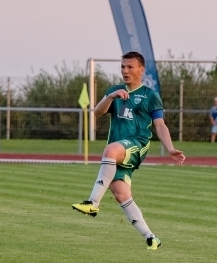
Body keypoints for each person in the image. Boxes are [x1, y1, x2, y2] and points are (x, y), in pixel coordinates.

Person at [71, 51, 185, 251]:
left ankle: (92, 203)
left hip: (137, 144)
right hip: (118, 148)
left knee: (110, 150)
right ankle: (151, 238)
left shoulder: (150, 96)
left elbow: (159, 125)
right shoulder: (116, 91)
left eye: (130, 67)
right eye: (123, 66)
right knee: (121, 194)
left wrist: (170, 148)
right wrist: (111, 96)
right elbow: (97, 112)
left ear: (141, 70)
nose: (125, 70)